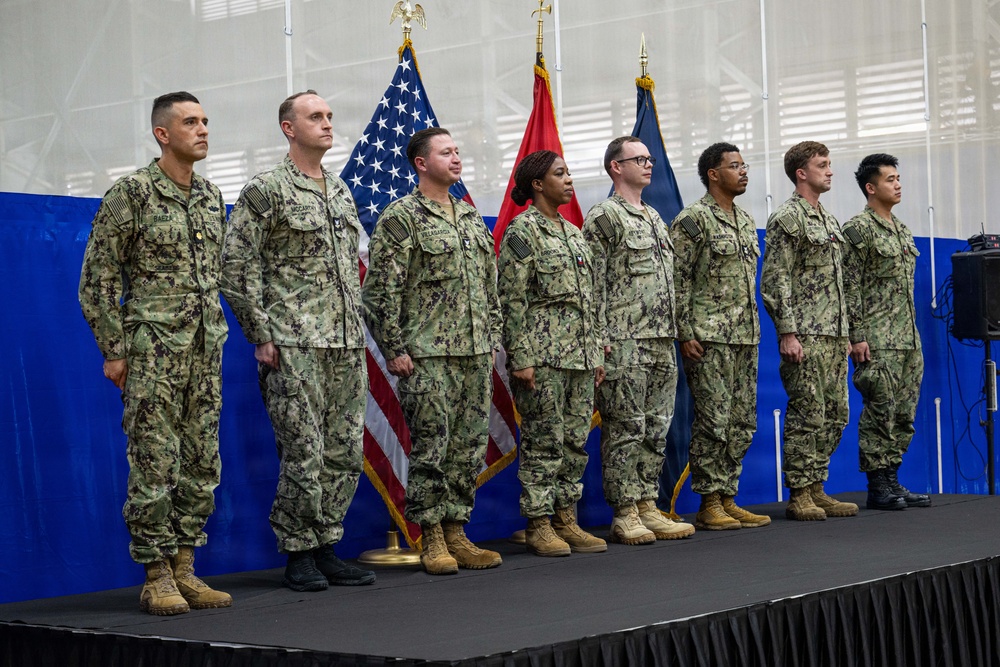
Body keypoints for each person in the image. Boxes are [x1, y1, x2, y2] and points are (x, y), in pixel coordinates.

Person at [78, 91, 232, 615]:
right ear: (162, 134)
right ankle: (156, 574)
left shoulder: (212, 198)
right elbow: (96, 279)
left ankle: (186, 567)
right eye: (191, 122)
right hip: (153, 351)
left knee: (201, 461)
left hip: (206, 348)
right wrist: (114, 350)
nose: (203, 130)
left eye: (206, 121)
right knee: (153, 460)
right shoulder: (132, 195)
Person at [221, 90, 375, 591]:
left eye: (330, 116)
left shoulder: (339, 189)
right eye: (316, 117)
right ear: (289, 128)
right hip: (293, 343)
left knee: (345, 451)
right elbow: (237, 265)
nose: (328, 123)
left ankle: (326, 544)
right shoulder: (267, 190)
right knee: (304, 452)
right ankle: (298, 551)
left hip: (345, 343)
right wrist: (260, 333)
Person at [362, 127, 504, 575]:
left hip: (475, 354)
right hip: (426, 356)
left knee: (467, 447)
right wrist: (395, 350)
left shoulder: (468, 217)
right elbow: (380, 291)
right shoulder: (402, 217)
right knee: (433, 447)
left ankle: (457, 529)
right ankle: (432, 537)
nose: (456, 158)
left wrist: (492, 337)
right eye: (446, 152)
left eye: (458, 151)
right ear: (421, 163)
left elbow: (490, 288)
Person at [583, 136, 695, 544]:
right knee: (626, 427)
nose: (649, 165)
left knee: (656, 427)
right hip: (623, 339)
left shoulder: (654, 216)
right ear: (616, 166)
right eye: (639, 159)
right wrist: (598, 340)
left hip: (661, 339)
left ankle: (648, 502)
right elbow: (591, 284)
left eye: (650, 158)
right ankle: (624, 510)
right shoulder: (604, 217)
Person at [497, 150, 606, 557]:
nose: (569, 179)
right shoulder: (523, 232)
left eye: (569, 172)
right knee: (544, 442)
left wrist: (595, 352)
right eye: (560, 174)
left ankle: (566, 517)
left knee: (574, 442)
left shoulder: (574, 233)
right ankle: (539, 523)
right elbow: (511, 299)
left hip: (578, 356)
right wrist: (520, 356)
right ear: (538, 184)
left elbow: (590, 300)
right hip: (542, 357)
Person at [669, 142, 770, 531]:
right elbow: (677, 278)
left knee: (742, 421)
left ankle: (728, 496)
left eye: (744, 165)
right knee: (714, 419)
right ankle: (709, 501)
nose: (743, 172)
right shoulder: (694, 220)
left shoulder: (745, 220)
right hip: (709, 337)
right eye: (734, 166)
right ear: (713, 174)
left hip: (745, 336)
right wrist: (684, 332)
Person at [760, 141, 858, 521]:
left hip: (833, 334)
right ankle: (800, 491)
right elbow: (776, 277)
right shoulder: (788, 218)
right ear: (801, 173)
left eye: (830, 164)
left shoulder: (830, 221)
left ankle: (818, 485)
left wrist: (846, 333)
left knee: (836, 414)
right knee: (808, 413)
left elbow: (838, 283)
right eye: (822, 165)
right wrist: (787, 332)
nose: (830, 170)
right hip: (805, 333)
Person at [843, 153, 930, 510]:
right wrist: (857, 334)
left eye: (898, 178)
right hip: (877, 340)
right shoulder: (857, 230)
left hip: (907, 338)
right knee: (881, 409)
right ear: (871, 187)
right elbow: (849, 285)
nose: (898, 184)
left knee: (904, 413)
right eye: (890, 179)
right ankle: (878, 484)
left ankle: (893, 477)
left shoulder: (902, 229)